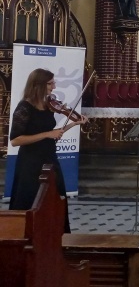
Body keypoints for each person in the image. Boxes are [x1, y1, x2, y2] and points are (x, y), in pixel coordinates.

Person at [9, 68, 88, 233]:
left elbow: (53, 134)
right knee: (31, 199)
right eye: (51, 83)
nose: (54, 86)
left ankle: (55, 239)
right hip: (30, 163)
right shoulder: (24, 107)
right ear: (38, 85)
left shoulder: (48, 105)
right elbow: (16, 140)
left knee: (57, 197)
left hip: (49, 159)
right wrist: (47, 134)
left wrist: (74, 123)